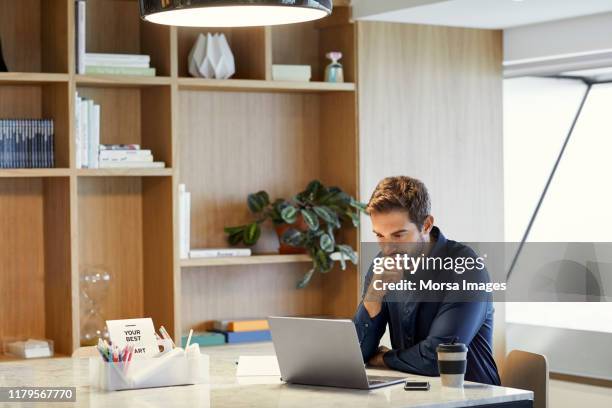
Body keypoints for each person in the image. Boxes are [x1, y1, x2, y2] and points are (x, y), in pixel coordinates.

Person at [353, 176, 501, 385]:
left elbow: (437, 359)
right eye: (380, 235)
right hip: (416, 394)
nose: (387, 248)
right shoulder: (383, 265)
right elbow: (357, 354)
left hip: (473, 398)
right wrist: (373, 297)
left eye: (398, 235)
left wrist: (385, 359)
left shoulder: (466, 268)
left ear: (426, 224)